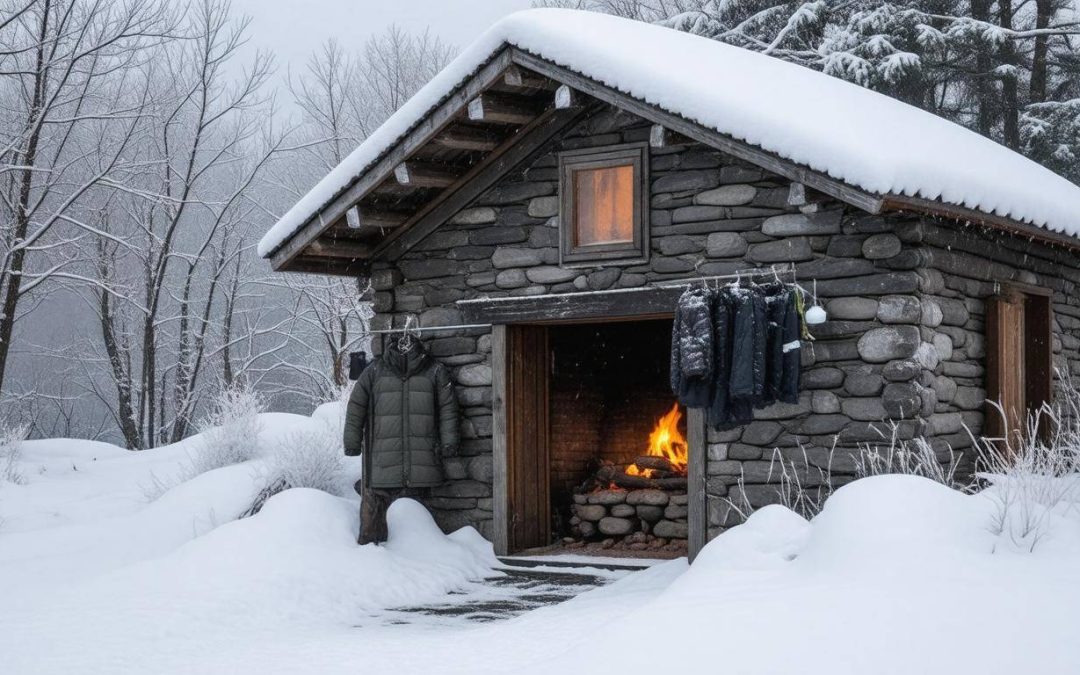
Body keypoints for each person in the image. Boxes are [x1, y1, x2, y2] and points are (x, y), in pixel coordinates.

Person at [343, 338, 459, 544]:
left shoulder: (434, 371)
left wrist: (449, 442)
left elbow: (448, 408)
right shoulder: (375, 371)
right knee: (382, 508)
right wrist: (352, 443)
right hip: (383, 457)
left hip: (422, 457)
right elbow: (356, 407)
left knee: (419, 518)